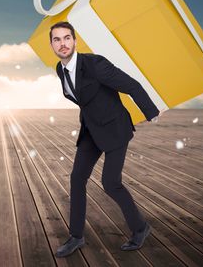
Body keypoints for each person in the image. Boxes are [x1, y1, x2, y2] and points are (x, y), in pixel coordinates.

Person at [49, 21, 162, 258]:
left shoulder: (95, 64)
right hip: (91, 130)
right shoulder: (60, 69)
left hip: (114, 128)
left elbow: (131, 84)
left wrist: (151, 112)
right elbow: (83, 98)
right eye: (57, 39)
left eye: (67, 38)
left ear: (75, 40)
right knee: (77, 179)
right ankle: (76, 237)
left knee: (111, 183)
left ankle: (141, 228)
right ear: (52, 45)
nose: (63, 44)